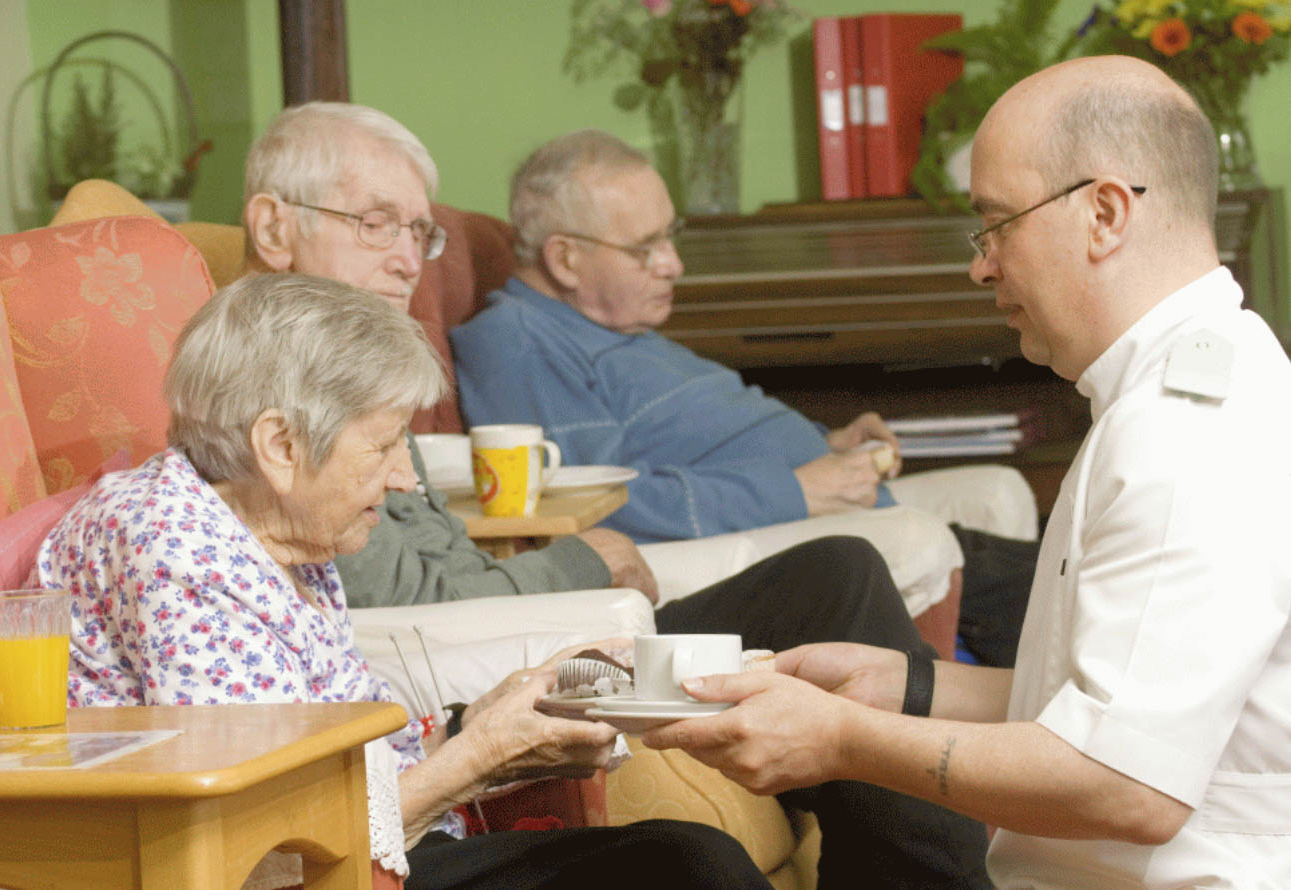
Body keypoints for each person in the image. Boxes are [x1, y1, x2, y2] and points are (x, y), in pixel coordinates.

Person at [239, 101, 993, 889]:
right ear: (273, 227)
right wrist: (581, 560)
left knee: (837, 572)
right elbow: (403, 592)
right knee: (697, 851)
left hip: (524, 647)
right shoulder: (270, 374)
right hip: (497, 669)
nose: (406, 260)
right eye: (374, 225)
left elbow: (434, 560)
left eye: (416, 234)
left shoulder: (356, 358)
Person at [640, 56, 1291, 889]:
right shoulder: (1181, 387)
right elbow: (1132, 703)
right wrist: (906, 686)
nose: (981, 266)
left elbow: (1128, 784)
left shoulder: (1182, 433)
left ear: (1104, 213)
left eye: (998, 224)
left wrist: (843, 741)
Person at [36, 273, 776, 890]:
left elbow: (335, 762)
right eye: (386, 445)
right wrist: (482, 756)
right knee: (685, 867)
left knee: (679, 859)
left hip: (379, 850)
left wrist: (487, 718)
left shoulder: (277, 529)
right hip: (317, 873)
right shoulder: (176, 552)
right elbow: (268, 856)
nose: (401, 479)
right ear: (280, 444)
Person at [450, 128, 1040, 667]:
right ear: (564, 258)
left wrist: (822, 442)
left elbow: (693, 435)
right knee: (985, 564)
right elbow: (592, 500)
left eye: (670, 237)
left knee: (999, 491)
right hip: (711, 541)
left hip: (786, 503)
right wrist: (793, 489)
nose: (673, 265)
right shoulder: (518, 341)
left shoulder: (612, 323)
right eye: (645, 248)